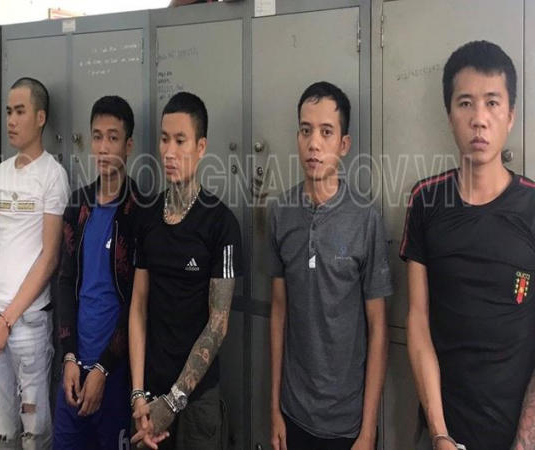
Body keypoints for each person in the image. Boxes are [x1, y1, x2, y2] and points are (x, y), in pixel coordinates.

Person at [402, 40, 535, 450]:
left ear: (510, 115)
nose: (479, 119)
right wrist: (440, 432)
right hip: (444, 432)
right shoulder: (425, 200)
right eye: (465, 103)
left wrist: (525, 437)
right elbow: (418, 320)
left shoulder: (532, 205)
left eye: (492, 103)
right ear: (449, 115)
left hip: (517, 433)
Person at [268, 82, 391, 450]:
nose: (314, 144)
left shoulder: (365, 218)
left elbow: (378, 327)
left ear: (344, 144)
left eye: (326, 132)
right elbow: (278, 313)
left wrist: (367, 431)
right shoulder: (281, 213)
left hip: (347, 424)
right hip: (292, 413)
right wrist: (274, 409)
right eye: (306, 131)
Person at [129, 92, 242, 449]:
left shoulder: (221, 223)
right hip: (149, 396)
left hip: (197, 400)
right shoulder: (147, 217)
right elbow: (138, 307)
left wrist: (175, 399)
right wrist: (138, 393)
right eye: (164, 139)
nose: (169, 152)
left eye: (180, 141)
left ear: (201, 146)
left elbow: (218, 324)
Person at [0, 77, 70, 448]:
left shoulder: (53, 176)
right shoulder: (2, 172)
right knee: (0, 432)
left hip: (26, 325)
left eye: (20, 111)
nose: (11, 120)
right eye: (9, 111)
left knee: (34, 434)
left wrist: (6, 321)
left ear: (40, 118)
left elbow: (50, 258)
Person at [53, 95, 148, 449]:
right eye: (97, 137)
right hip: (74, 370)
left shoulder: (140, 213)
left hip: (116, 373)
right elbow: (65, 283)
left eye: (113, 137)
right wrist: (69, 356)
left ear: (128, 146)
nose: (103, 147)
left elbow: (138, 301)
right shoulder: (77, 206)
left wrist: (104, 367)